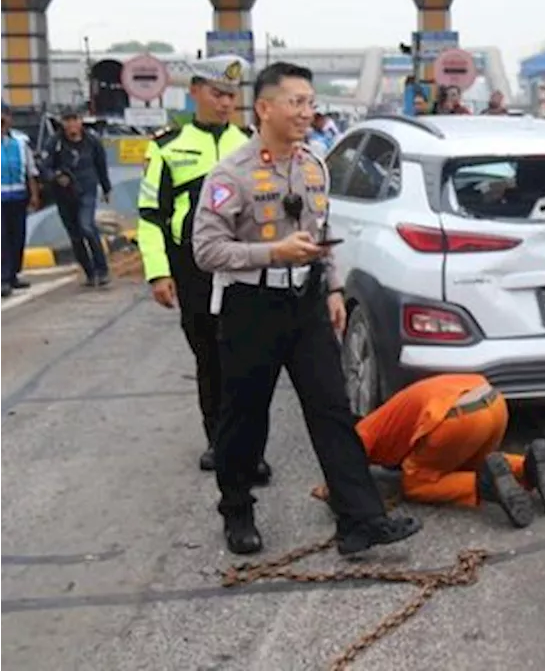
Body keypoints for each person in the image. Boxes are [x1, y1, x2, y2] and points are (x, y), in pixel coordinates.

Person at [191, 61, 421, 556]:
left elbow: (321, 236)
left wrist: (333, 289)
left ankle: (360, 520)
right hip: (251, 305)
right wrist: (271, 253)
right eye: (296, 102)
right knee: (245, 416)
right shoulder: (230, 174)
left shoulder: (314, 164)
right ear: (264, 108)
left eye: (310, 103)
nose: (306, 112)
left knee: (332, 409)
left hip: (308, 301)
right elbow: (206, 251)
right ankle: (237, 509)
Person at [137, 56, 269, 478]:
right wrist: (158, 272)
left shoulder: (250, 143)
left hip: (243, 266)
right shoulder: (166, 147)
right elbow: (150, 216)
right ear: (194, 92)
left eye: (231, 95)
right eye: (217, 93)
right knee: (209, 356)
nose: (226, 103)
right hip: (193, 269)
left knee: (246, 357)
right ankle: (219, 440)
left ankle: (250, 448)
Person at [311, 374, 545, 529]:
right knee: (468, 463)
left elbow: (344, 466)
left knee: (415, 483)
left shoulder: (362, 432)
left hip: (456, 417)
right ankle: (528, 466)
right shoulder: (388, 417)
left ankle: (484, 486)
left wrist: (331, 488)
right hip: (493, 403)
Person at [39, 107, 113, 287]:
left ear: (81, 121)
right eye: (67, 120)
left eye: (75, 119)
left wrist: (106, 188)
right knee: (75, 235)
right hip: (64, 194)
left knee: (87, 226)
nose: (72, 124)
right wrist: (56, 176)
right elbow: (44, 167)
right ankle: (89, 272)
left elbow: (101, 165)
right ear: (63, 123)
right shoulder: (54, 142)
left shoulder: (92, 141)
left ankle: (102, 270)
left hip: (87, 190)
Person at [0, 102, 40, 298]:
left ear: (9, 119)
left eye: (3, 116)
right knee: (2, 239)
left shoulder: (20, 141)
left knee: (17, 238)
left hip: (18, 196)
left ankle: (14, 274)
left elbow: (30, 171)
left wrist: (34, 195)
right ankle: (4, 278)